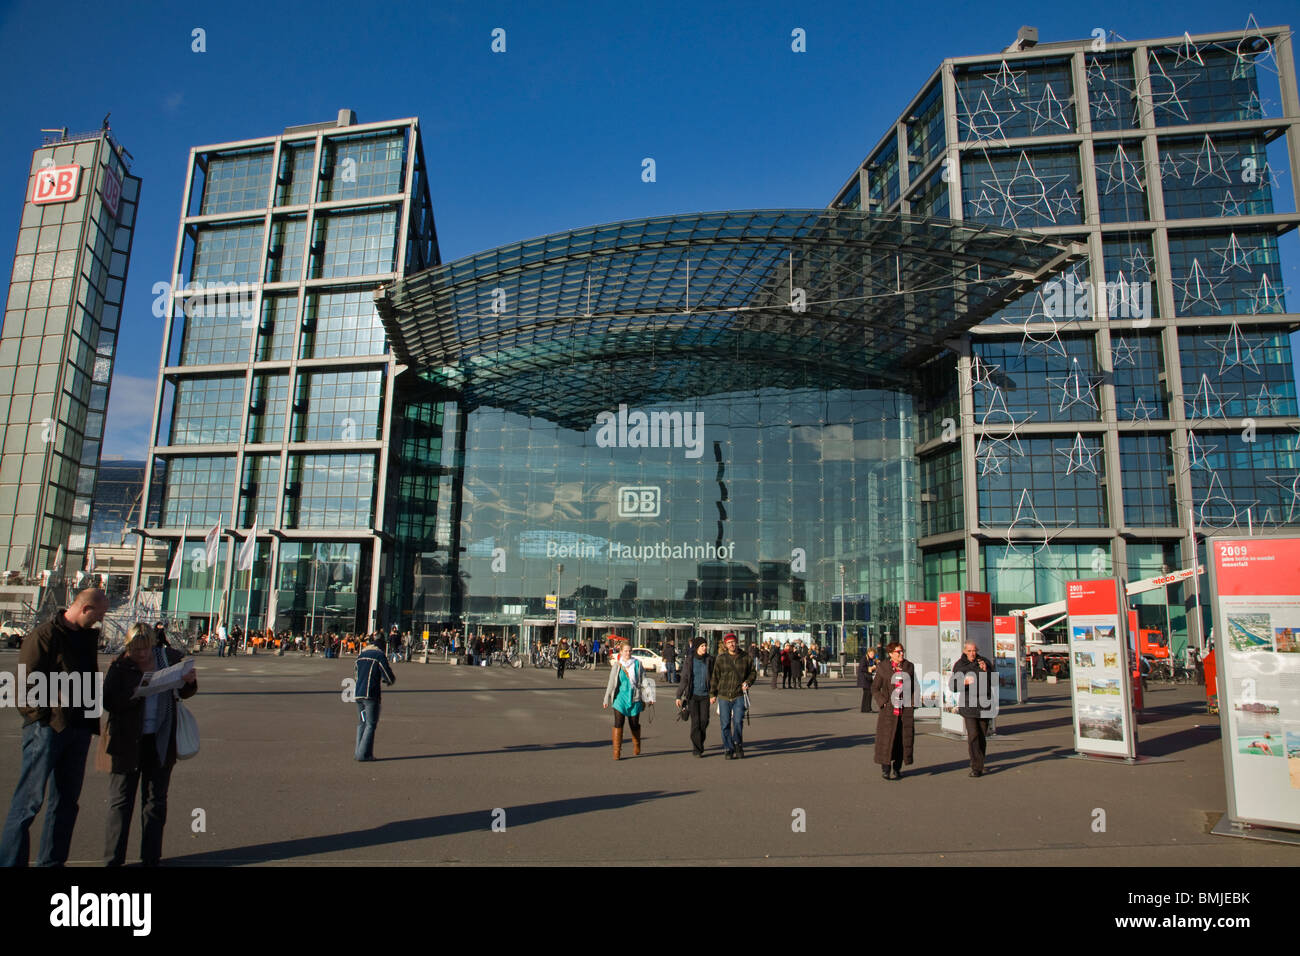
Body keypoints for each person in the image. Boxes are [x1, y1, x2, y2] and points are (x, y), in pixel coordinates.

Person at [0, 588, 108, 866]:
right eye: (99, 614)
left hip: (79, 728)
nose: (101, 620)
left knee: (66, 804)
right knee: (28, 802)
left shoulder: (85, 636)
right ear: (85, 609)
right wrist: (44, 717)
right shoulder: (44, 635)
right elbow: (24, 686)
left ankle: (52, 862)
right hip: (48, 729)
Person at [102, 623, 198, 866]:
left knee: (155, 802)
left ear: (153, 644)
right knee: (120, 803)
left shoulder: (169, 659)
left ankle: (151, 858)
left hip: (160, 739)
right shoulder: (120, 666)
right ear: (128, 647)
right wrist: (133, 695)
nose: (141, 654)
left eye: (145, 648)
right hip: (126, 742)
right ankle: (113, 860)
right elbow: (109, 702)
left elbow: (186, 692)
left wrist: (188, 681)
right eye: (136, 649)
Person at [949, 640, 997, 778]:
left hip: (984, 704)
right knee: (973, 735)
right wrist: (964, 682)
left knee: (982, 735)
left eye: (974, 651)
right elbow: (953, 685)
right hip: (969, 704)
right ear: (964, 651)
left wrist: (986, 671)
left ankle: (980, 762)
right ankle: (976, 767)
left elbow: (994, 682)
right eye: (969, 651)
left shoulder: (984, 662)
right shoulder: (960, 665)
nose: (972, 653)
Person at [871, 642, 917, 781]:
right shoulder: (883, 668)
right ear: (891, 654)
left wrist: (914, 701)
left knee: (902, 739)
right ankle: (886, 768)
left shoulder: (909, 667)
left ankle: (897, 768)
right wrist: (883, 701)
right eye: (898, 652)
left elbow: (914, 686)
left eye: (902, 651)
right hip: (889, 711)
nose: (901, 654)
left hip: (905, 710)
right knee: (887, 739)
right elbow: (875, 688)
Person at [709, 633, 756, 759]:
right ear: (725, 644)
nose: (732, 644)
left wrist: (748, 682)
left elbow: (752, 672)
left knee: (738, 721)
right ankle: (728, 748)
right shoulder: (721, 658)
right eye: (729, 642)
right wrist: (712, 694)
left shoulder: (745, 657)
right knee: (724, 724)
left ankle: (737, 744)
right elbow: (715, 677)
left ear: (737, 643)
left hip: (738, 695)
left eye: (733, 642)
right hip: (724, 696)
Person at [354, 635, 396, 761]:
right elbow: (386, 672)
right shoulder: (379, 656)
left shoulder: (360, 656)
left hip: (358, 695)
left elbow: (356, 675)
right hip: (370, 694)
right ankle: (363, 755)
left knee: (362, 723)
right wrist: (389, 680)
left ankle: (360, 753)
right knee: (371, 724)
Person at [602, 642, 646, 759]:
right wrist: (606, 698)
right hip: (620, 698)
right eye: (625, 651)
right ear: (621, 652)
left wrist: (649, 696)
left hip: (634, 697)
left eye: (630, 651)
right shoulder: (617, 665)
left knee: (634, 724)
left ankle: (637, 744)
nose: (628, 653)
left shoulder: (637, 664)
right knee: (618, 722)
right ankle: (617, 751)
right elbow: (611, 682)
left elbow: (644, 681)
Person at [676, 637, 714, 756]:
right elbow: (685, 678)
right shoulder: (690, 660)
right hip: (692, 695)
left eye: (705, 645)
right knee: (695, 722)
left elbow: (714, 679)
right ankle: (697, 748)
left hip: (705, 695)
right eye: (702, 646)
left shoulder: (710, 659)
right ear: (697, 647)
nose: (704, 648)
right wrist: (678, 695)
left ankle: (699, 741)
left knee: (704, 721)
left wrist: (713, 694)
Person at [858, 647, 879, 713]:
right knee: (867, 694)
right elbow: (862, 668)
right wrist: (870, 668)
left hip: (869, 678)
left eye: (873, 654)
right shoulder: (864, 659)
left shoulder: (872, 659)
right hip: (865, 679)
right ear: (868, 653)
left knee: (868, 694)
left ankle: (866, 708)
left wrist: (876, 664)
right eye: (871, 653)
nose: (872, 655)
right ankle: (866, 709)